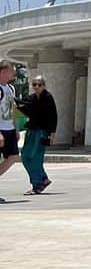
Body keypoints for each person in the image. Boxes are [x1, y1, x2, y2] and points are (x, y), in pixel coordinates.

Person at [18, 74, 57, 195]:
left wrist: (52, 134)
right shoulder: (32, 98)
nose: (36, 87)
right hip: (31, 131)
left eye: (39, 85)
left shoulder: (48, 98)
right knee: (25, 156)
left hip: (42, 132)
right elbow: (23, 105)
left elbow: (53, 116)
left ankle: (38, 184)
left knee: (35, 158)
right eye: (34, 84)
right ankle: (43, 179)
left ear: (44, 86)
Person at [0, 61, 21, 203]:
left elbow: (13, 109)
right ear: (3, 72)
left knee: (13, 156)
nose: (13, 74)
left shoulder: (10, 88)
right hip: (0, 129)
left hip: (10, 129)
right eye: (11, 71)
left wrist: (17, 128)